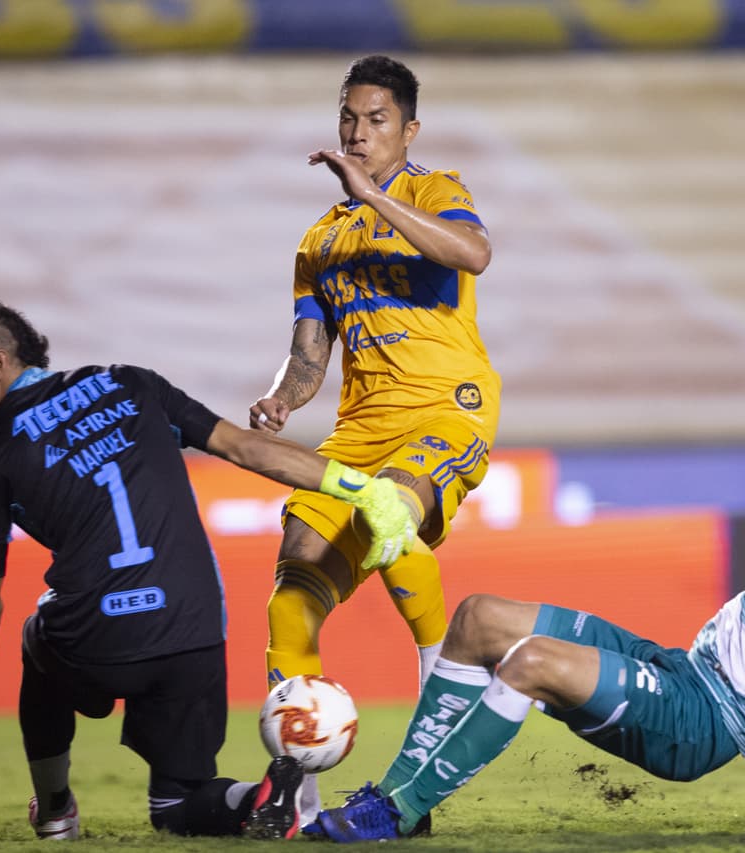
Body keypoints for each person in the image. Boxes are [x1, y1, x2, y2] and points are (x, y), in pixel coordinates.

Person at [0, 299, 420, 841]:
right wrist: (363, 489)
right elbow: (247, 448)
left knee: (35, 635)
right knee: (177, 801)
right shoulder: (130, 384)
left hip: (97, 640)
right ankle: (256, 797)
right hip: (194, 629)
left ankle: (54, 810)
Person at [309, 396, 745, 842]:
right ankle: (398, 800)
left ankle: (398, 813)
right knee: (479, 619)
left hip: (704, 720)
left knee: (527, 662)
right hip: (683, 671)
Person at [248, 55, 501, 821]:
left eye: (377, 120)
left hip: (442, 409)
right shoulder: (317, 242)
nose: (358, 133)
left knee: (387, 512)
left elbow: (473, 255)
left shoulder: (436, 190)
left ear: (409, 130)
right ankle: (299, 798)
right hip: (359, 428)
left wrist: (372, 197)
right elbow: (308, 355)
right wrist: (280, 401)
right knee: (291, 593)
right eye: (348, 119)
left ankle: (442, 712)